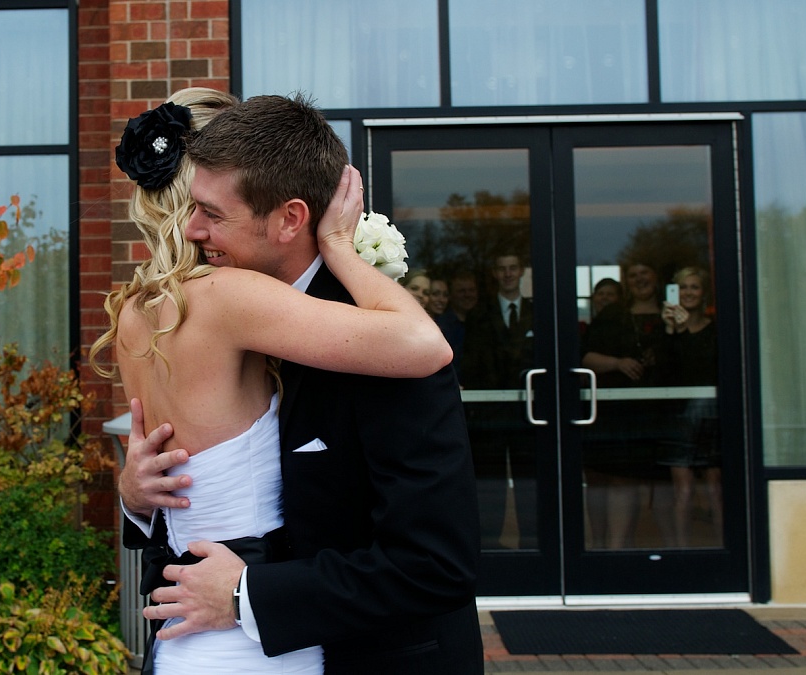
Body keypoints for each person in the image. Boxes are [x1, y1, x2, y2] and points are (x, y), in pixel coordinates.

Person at [91, 89, 458, 674]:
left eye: (211, 213)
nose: (193, 230)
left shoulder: (146, 313)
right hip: (226, 639)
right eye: (194, 207)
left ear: (288, 217)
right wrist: (137, 494)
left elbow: (435, 563)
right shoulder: (219, 306)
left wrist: (240, 592)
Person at [580, 261, 668, 549]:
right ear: (627, 282)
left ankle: (620, 549)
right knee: (606, 478)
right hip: (613, 409)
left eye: (645, 273)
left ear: (656, 277)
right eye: (633, 275)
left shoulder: (672, 313)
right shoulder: (613, 315)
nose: (640, 279)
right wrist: (618, 363)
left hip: (656, 410)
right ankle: (602, 547)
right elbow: (585, 357)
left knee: (634, 480)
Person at [462, 251, 536, 548]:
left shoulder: (536, 311)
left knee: (529, 483)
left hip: (527, 413)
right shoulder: (480, 314)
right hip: (491, 412)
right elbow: (471, 363)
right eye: (502, 268)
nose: (507, 274)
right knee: (490, 484)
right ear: (494, 273)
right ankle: (490, 545)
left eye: (513, 267)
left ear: (521, 272)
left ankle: (533, 544)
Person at [659, 266, 722, 547]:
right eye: (682, 288)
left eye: (694, 287)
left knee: (715, 490)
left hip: (712, 417)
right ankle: (683, 554)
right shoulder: (667, 331)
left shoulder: (716, 330)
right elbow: (665, 375)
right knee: (682, 491)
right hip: (678, 417)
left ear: (704, 293)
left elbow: (706, 369)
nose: (688, 293)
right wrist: (672, 332)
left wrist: (685, 332)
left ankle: (725, 551)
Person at [435, 269, 479, 383]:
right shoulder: (441, 326)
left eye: (471, 290)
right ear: (452, 295)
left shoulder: (481, 322)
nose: (467, 295)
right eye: (461, 291)